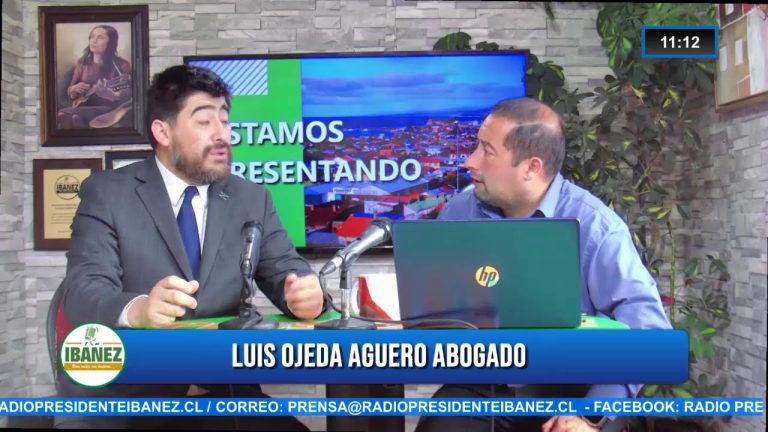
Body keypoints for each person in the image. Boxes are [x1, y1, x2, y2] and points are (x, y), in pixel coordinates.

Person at [55, 64, 326, 430]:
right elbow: (82, 291)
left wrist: (305, 294)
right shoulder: (107, 193)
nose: (222, 134)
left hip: (225, 393)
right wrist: (139, 310)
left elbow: (287, 272)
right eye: (204, 121)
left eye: (224, 120)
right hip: (134, 399)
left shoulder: (252, 198)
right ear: (162, 132)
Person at [416, 98, 672, 432]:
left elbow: (651, 334)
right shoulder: (460, 210)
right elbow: (439, 298)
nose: (470, 161)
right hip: (485, 385)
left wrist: (591, 416)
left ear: (531, 168)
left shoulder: (596, 228)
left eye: (487, 151)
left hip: (574, 392)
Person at [57, 25, 133, 129]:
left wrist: (111, 95)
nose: (94, 41)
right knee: (73, 118)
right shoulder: (82, 64)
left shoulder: (122, 64)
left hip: (109, 110)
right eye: (92, 37)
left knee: (62, 114)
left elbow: (128, 93)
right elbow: (71, 93)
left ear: (110, 42)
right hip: (82, 106)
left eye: (100, 37)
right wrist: (73, 89)